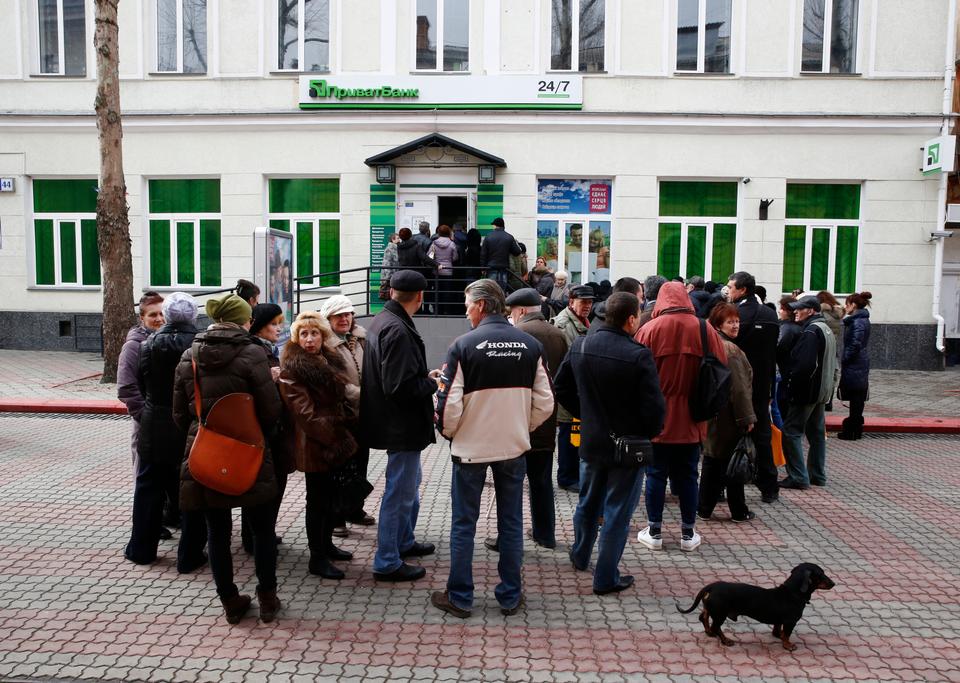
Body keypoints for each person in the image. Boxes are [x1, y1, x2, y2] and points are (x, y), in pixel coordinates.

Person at [430, 280, 554, 618]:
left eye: (468, 304)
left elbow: (448, 405)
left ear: (482, 305)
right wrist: (519, 427)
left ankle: (460, 597)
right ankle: (510, 596)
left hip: (470, 449)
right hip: (513, 447)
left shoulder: (463, 345)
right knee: (511, 523)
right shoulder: (530, 344)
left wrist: (452, 433)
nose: (466, 310)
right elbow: (546, 402)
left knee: (463, 524)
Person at [173, 293, 283, 624]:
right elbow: (270, 410)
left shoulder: (188, 356)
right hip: (250, 451)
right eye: (249, 317)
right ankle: (267, 598)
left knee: (217, 532)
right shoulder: (253, 354)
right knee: (262, 530)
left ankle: (231, 601)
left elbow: (180, 415)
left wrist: (206, 432)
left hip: (206, 453)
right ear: (241, 321)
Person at [555, 292, 665, 594]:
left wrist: (585, 414)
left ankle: (580, 555)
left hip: (592, 440)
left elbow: (560, 387)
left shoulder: (581, 345)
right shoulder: (638, 354)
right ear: (631, 319)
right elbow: (654, 408)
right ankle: (605, 577)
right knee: (617, 511)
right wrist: (648, 432)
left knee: (588, 501)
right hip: (628, 446)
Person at [636, 281, 727, 552]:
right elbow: (722, 368)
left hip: (657, 416)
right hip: (693, 416)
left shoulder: (649, 329)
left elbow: (636, 373)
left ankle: (654, 531)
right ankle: (688, 533)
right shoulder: (704, 329)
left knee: (654, 475)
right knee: (688, 475)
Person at [361, 270, 439, 582]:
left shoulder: (383, 320)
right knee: (399, 493)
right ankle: (387, 561)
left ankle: (403, 541)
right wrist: (430, 383)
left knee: (408, 487)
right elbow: (399, 387)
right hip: (401, 427)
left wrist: (424, 378)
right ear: (420, 296)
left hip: (394, 424)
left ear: (392, 292)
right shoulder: (397, 330)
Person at [484, 288, 570, 552]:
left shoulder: (516, 335)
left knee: (509, 484)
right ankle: (545, 534)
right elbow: (564, 379)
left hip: (516, 422)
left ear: (520, 311)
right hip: (546, 420)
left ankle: (506, 538)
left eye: (511, 313)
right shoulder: (559, 334)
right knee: (541, 481)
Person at [124, 292, 205, 571]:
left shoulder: (148, 344)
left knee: (148, 488)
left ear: (167, 316)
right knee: (191, 489)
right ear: (194, 316)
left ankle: (141, 550)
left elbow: (143, 384)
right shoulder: (200, 343)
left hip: (155, 423)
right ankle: (190, 555)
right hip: (190, 427)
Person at [279, 311, 359, 580]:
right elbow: (303, 413)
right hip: (315, 442)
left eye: (314, 333)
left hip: (332, 437)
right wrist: (335, 435)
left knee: (329, 497)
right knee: (317, 500)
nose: (310, 339)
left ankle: (326, 545)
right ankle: (317, 557)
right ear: (296, 337)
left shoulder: (327, 358)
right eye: (304, 334)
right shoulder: (293, 367)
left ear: (323, 336)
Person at [319, 295, 374, 535]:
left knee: (360, 463)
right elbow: (334, 382)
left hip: (362, 414)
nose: (345, 318)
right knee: (340, 469)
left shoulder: (360, 338)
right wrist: (363, 394)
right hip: (340, 416)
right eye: (339, 315)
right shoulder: (324, 344)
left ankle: (354, 509)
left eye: (348, 314)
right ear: (328, 318)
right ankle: (335, 518)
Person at [697, 303, 757, 523]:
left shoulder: (709, 343)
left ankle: (704, 507)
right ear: (718, 324)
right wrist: (747, 417)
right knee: (733, 463)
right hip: (728, 417)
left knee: (714, 462)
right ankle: (738, 510)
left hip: (713, 414)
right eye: (730, 322)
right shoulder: (730, 349)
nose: (735, 325)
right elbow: (739, 388)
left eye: (737, 321)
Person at [726, 271, 781, 504]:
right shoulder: (770, 314)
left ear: (743, 290)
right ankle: (769, 487)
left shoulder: (733, 316)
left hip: (736, 386)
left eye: (731, 287)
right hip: (761, 387)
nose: (728, 291)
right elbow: (772, 357)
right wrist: (770, 391)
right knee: (762, 436)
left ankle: (721, 484)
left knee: (727, 437)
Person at [241, 303, 288, 555]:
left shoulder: (268, 350)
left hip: (271, 429)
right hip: (263, 431)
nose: (278, 329)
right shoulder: (256, 352)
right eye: (273, 324)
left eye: (280, 323)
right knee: (263, 487)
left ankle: (261, 533)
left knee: (269, 485)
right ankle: (256, 538)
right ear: (259, 327)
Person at [779, 295, 837, 490]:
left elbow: (805, 366)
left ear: (811, 311)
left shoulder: (811, 331)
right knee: (817, 433)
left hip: (807, 392)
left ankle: (798, 476)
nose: (795, 311)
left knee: (791, 432)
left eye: (799, 308)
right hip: (822, 391)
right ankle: (817, 475)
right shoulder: (826, 329)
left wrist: (792, 386)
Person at [552, 285, 595, 492]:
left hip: (577, 389)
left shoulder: (582, 321)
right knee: (568, 433)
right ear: (571, 302)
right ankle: (567, 477)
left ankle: (573, 475)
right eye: (583, 302)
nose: (587, 306)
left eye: (589, 302)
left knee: (574, 433)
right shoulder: (563, 324)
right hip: (569, 388)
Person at [118, 291, 164, 472]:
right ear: (142, 317)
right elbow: (126, 387)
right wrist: (145, 417)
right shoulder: (133, 346)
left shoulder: (164, 341)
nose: (159, 319)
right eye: (153, 314)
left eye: (162, 313)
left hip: (163, 420)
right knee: (143, 473)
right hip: (145, 422)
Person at [837, 291, 872, 440]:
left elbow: (855, 343)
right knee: (856, 395)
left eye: (847, 304)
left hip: (855, 362)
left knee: (856, 395)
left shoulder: (858, 322)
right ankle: (855, 428)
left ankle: (853, 430)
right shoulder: (859, 320)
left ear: (853, 305)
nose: (846, 307)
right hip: (858, 361)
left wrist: (846, 357)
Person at [481, 217, 522, 292]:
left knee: (491, 290)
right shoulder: (509, 237)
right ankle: (501, 303)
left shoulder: (488, 236)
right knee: (501, 290)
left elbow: (483, 254)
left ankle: (492, 303)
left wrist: (483, 268)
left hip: (491, 268)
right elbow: (517, 252)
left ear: (495, 225)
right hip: (504, 268)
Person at [430, 225, 460, 315]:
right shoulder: (452, 244)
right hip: (448, 271)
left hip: (437, 271)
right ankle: (446, 310)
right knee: (447, 292)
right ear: (448, 233)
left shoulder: (434, 243)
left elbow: (430, 256)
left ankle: (437, 310)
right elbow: (455, 257)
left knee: (437, 291)